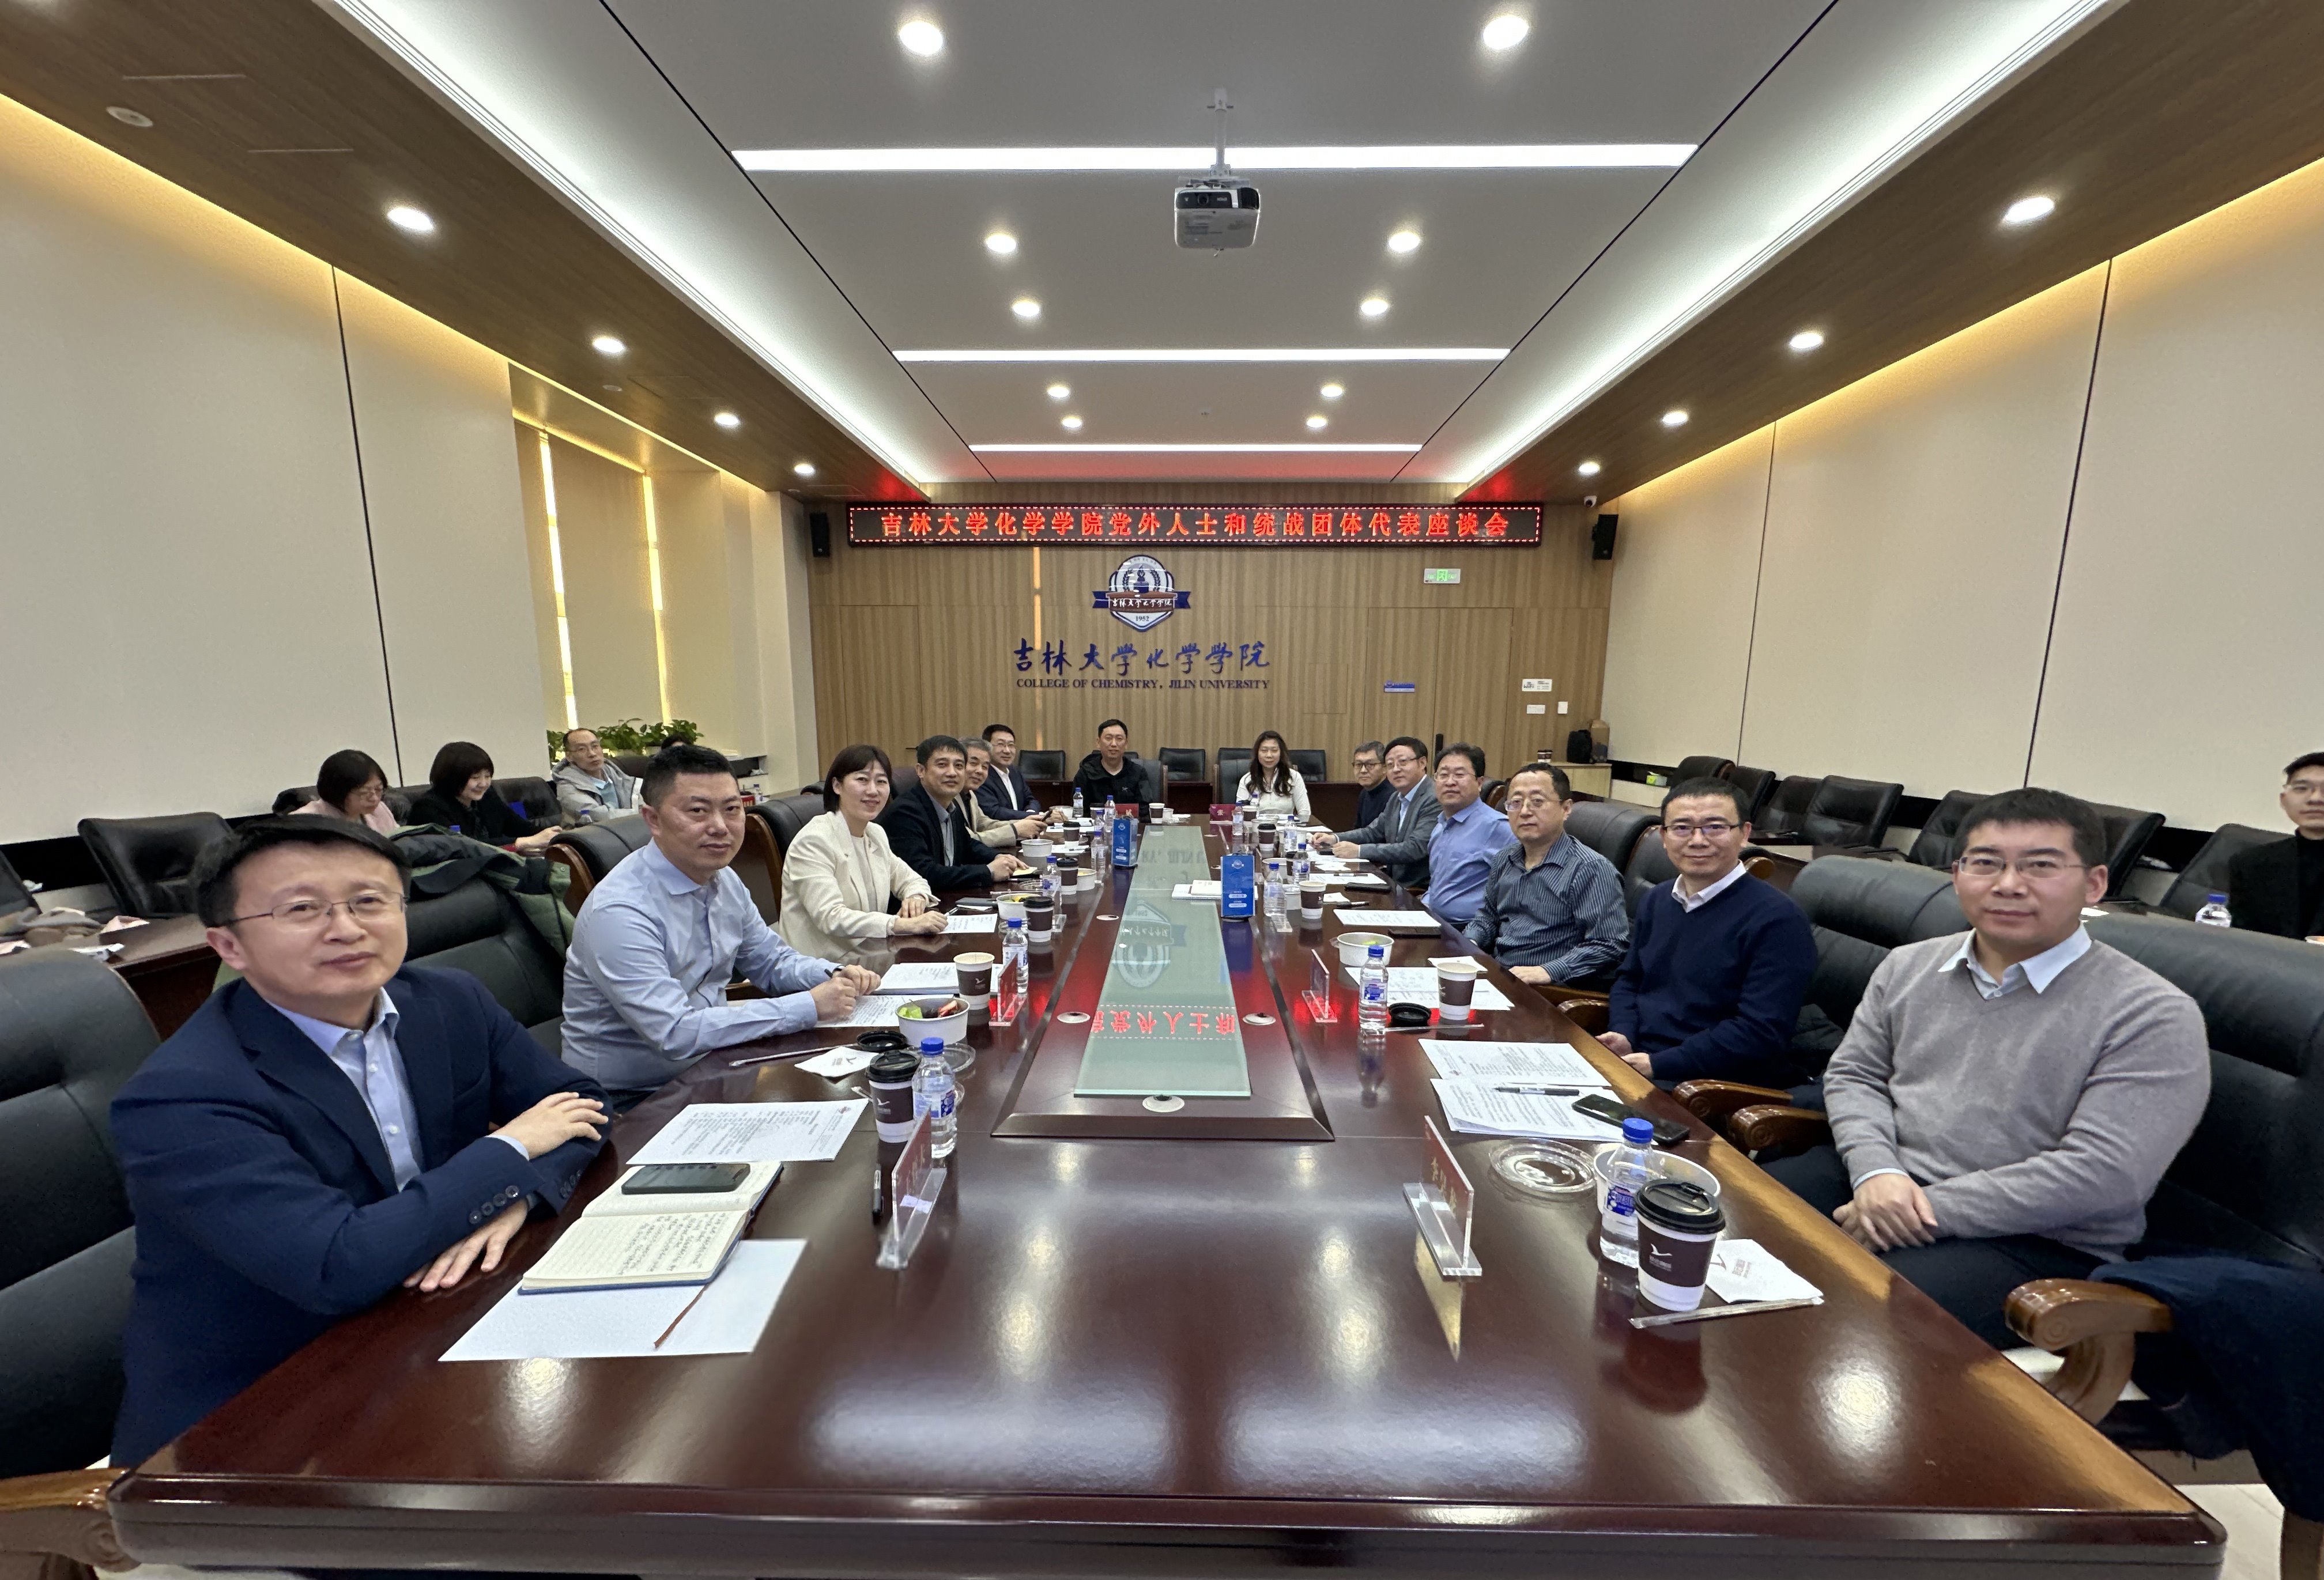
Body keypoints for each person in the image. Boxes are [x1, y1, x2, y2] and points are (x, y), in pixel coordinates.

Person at [107, 818, 609, 1465]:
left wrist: (519, 1195)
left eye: (369, 900)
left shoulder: (449, 1001)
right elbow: (337, 1266)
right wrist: (507, 1152)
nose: (345, 928)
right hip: (259, 1414)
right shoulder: (183, 1094)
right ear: (229, 945)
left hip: (424, 1331)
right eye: (302, 909)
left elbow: (583, 1104)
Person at [1764, 788, 2210, 1348]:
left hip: (2034, 1238)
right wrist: (1876, 1173)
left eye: (2040, 866)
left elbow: (2104, 1175)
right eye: (1985, 863)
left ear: (2095, 884)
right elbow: (1855, 1076)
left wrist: (1924, 1209)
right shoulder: (1909, 966)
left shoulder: (2152, 1013)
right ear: (1957, 875)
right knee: (1736, 1223)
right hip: (1886, 1178)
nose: (2008, 884)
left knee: (1853, 1324)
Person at [562, 744, 880, 1107]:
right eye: (698, 811)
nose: (719, 827)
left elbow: (771, 961)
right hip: (630, 1099)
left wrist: (832, 974)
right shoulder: (620, 911)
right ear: (653, 819)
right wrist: (808, 1006)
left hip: (716, 1064)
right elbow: (675, 1032)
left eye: (732, 809)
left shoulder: (723, 879)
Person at [1602, 777, 1815, 1089]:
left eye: (1715, 827)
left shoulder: (1779, 919)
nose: (1698, 840)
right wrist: (1623, 1032)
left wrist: (1658, 1064)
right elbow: (1629, 980)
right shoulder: (1657, 899)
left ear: (1744, 834)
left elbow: (1760, 1032)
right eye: (1682, 828)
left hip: (1709, 1083)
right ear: (1664, 836)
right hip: (1640, 1061)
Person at [1464, 762, 1629, 990]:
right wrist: (1469, 942)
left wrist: (1548, 971)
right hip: (1499, 975)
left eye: (1537, 802)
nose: (1525, 812)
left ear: (1566, 808)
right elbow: (1488, 916)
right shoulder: (1505, 858)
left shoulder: (1591, 869)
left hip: (1547, 990)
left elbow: (1609, 944)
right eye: (1515, 803)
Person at [778, 745, 949, 962]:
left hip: (869, 957)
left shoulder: (874, 833)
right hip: (822, 967)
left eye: (881, 781)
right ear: (837, 785)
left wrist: (916, 897)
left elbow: (911, 879)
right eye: (862, 780)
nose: (873, 790)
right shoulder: (814, 841)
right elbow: (831, 917)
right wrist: (900, 924)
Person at [879, 735, 1024, 890]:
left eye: (959, 766)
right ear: (921, 771)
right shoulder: (905, 813)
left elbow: (967, 844)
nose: (952, 773)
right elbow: (923, 873)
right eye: (942, 765)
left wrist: (997, 857)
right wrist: (988, 872)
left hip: (949, 894)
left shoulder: (950, 804)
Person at [2226, 750, 2324, 939]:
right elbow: (2241, 938)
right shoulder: (2251, 864)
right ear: (2283, 800)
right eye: (2302, 788)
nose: (2315, 799)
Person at [1322, 736, 1440, 891]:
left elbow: (1414, 848)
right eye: (1390, 764)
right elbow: (1373, 832)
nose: (1396, 769)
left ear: (1422, 763)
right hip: (1392, 882)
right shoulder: (1397, 797)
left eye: (1403, 762)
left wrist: (1360, 851)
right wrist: (1334, 838)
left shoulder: (1434, 798)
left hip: (1416, 890)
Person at [1418, 743, 1514, 927]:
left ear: (1480, 783)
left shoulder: (1498, 828)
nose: (1450, 782)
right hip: (1433, 922)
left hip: (1469, 930)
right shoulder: (1441, 825)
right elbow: (1437, 883)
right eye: (1443, 775)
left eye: (1459, 775)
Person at [406, 741, 558, 853]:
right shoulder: (428, 808)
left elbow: (519, 826)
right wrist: (521, 843)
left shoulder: (487, 797)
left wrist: (554, 835)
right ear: (451, 778)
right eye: (475, 778)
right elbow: (465, 848)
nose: (484, 784)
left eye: (488, 776)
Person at [962, 736, 1048, 849]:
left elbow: (985, 824)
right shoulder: (950, 798)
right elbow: (968, 840)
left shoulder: (970, 795)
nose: (980, 771)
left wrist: (1022, 823)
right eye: (973, 763)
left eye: (985, 766)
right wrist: (1016, 830)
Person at [293, 748, 399, 835]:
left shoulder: (379, 810)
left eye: (379, 790)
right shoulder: (303, 822)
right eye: (364, 793)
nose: (375, 798)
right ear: (338, 793)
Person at [552, 726, 638, 825]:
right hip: (593, 833)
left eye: (595, 746)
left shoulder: (616, 775)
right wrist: (641, 814)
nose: (592, 754)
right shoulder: (566, 786)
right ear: (569, 756)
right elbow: (597, 816)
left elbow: (641, 799)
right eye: (582, 749)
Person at [1233, 729, 1312, 823]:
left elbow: (1304, 813)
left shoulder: (1294, 777)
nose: (1269, 755)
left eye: (1274, 751)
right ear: (1257, 753)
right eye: (1264, 751)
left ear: (1281, 753)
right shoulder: (1247, 780)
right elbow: (1240, 813)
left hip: (1286, 829)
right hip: (1256, 828)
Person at [1071, 718, 1148, 807]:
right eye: (1108, 738)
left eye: (1119, 739)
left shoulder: (1138, 773)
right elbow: (1078, 810)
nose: (1114, 744)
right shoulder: (1085, 773)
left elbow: (1145, 809)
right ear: (1098, 743)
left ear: (1126, 743)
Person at [976, 723, 1044, 820]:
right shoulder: (982, 776)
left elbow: (1031, 800)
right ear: (986, 747)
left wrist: (1031, 812)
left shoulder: (1014, 772)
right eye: (1001, 745)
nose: (1007, 751)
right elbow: (994, 812)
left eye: (1011, 745)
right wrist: (1032, 817)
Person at [1349, 740, 1393, 829]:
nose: (1363, 770)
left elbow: (1380, 834)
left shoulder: (1393, 797)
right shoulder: (1365, 793)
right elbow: (1358, 828)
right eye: (1359, 765)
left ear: (1385, 767)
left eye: (1370, 765)